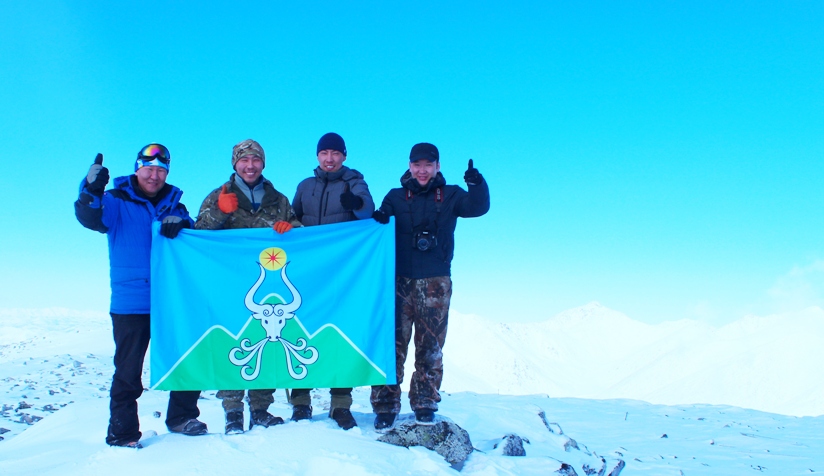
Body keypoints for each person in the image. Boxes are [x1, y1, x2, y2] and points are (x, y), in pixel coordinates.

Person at [74, 144, 207, 448]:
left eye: (161, 170)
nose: (154, 176)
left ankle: (181, 417)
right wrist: (90, 189)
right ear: (138, 169)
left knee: (187, 358)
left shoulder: (175, 205)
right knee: (128, 371)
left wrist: (183, 224)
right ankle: (122, 434)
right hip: (131, 302)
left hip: (171, 300)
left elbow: (193, 237)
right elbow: (90, 217)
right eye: (149, 169)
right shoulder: (116, 201)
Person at [369, 142, 490, 430]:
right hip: (398, 280)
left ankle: (425, 403)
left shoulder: (451, 195)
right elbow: (378, 222)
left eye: (428, 165)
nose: (422, 170)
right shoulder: (395, 196)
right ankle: (385, 405)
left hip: (436, 281)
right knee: (391, 345)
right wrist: (379, 217)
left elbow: (478, 207)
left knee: (430, 346)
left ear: (437, 166)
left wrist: (477, 184)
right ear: (409, 166)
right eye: (417, 164)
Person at [195, 139, 303, 434]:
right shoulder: (218, 195)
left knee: (267, 343)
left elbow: (300, 235)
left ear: (263, 163)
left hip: (267, 286)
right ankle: (232, 411)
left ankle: (260, 409)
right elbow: (197, 235)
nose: (250, 166)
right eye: (244, 160)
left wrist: (291, 230)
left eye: (256, 160)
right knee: (233, 343)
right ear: (235, 164)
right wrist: (220, 212)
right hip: (229, 286)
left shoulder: (278, 200)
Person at [290, 132, 375, 430]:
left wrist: (356, 203)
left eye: (335, 153)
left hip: (342, 276)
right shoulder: (305, 186)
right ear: (317, 156)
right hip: (308, 274)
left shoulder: (355, 182)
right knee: (300, 333)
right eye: (324, 153)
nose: (330, 158)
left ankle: (340, 404)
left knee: (339, 335)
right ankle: (300, 403)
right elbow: (293, 219)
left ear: (344, 156)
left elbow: (368, 212)